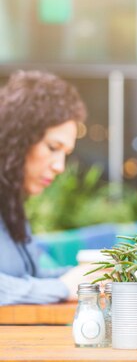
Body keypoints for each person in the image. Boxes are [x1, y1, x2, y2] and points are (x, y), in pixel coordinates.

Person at [0, 70, 92, 305]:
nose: (60, 166)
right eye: (53, 147)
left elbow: (28, 279)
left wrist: (88, 279)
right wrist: (62, 287)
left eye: (65, 153)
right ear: (18, 139)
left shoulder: (11, 205)